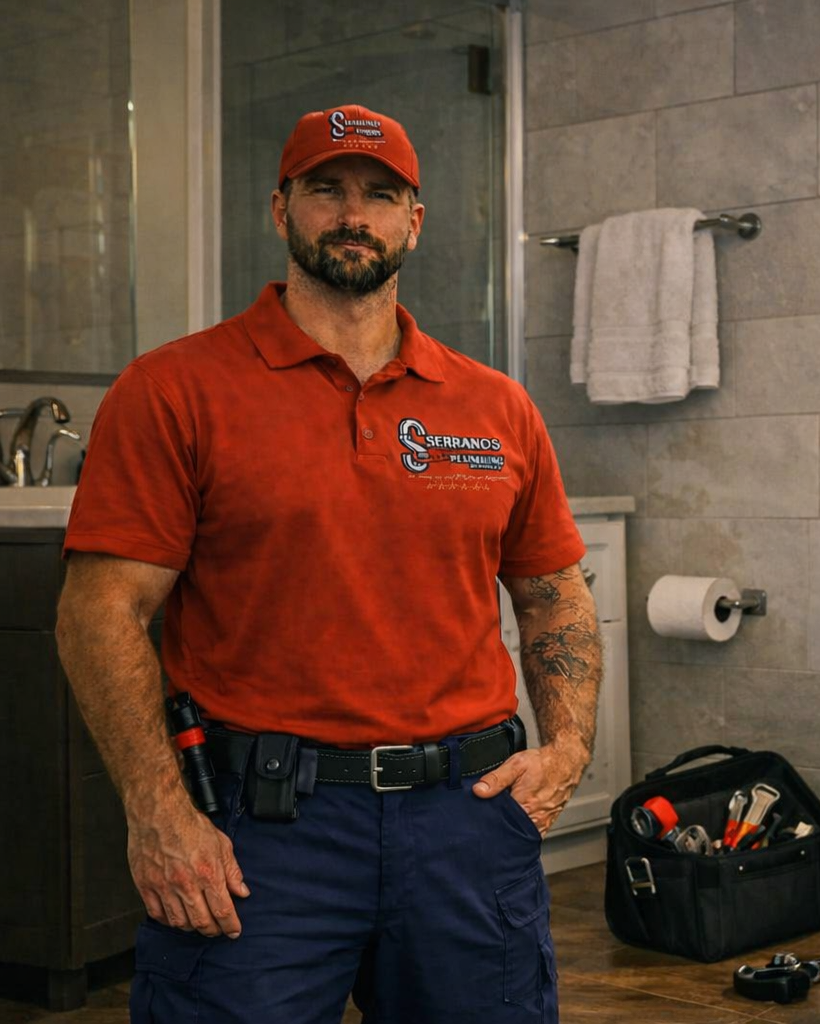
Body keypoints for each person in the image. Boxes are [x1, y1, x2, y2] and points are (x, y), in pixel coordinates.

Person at [54, 103, 600, 1023]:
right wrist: (157, 811)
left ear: (413, 221)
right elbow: (98, 610)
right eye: (327, 190)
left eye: (380, 195)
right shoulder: (175, 390)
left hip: (465, 824)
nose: (354, 214)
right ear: (282, 209)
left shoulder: (495, 407)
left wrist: (569, 749)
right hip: (260, 834)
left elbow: (553, 597)